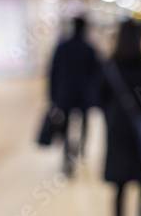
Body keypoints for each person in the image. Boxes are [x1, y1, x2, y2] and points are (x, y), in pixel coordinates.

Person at [100, 21, 141, 216]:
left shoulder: (110, 64)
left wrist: (111, 115)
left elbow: (100, 96)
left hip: (118, 127)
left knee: (120, 178)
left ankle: (119, 211)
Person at [49, 17, 99, 175]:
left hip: (65, 94)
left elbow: (53, 72)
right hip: (84, 94)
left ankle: (67, 156)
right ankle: (81, 150)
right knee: (84, 123)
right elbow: (96, 75)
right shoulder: (89, 48)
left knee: (66, 124)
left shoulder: (62, 47)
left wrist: (52, 95)